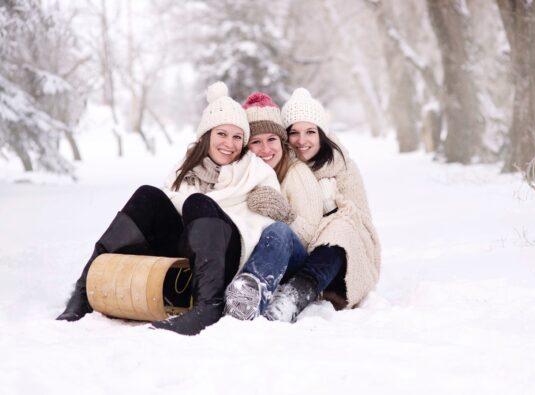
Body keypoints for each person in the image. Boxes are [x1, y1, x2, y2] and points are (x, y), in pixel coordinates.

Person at [57, 82, 279, 336]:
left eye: (237, 137)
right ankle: (84, 291)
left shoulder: (256, 172)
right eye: (222, 134)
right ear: (207, 135)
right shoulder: (186, 168)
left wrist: (205, 208)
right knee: (148, 195)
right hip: (184, 258)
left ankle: (209, 306)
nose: (229, 143)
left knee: (198, 202)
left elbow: (263, 229)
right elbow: (170, 209)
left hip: (227, 257)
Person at [262, 87, 382, 322]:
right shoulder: (281, 165)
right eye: (294, 132)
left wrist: (332, 209)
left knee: (341, 227)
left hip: (337, 256)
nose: (302, 140)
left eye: (310, 132)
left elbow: (362, 221)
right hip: (297, 247)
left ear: (321, 134)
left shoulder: (342, 166)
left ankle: (294, 297)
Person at [222, 92, 324, 320]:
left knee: (278, 231)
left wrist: (284, 214)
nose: (265, 149)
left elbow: (310, 235)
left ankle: (248, 296)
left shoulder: (296, 173)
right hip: (252, 253)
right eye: (256, 142)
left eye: (271, 140)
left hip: (293, 260)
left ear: (281, 141)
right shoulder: (244, 174)